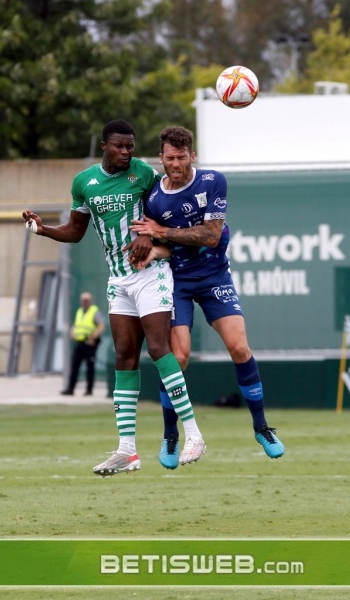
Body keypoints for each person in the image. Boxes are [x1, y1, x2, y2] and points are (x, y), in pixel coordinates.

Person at [22, 119, 206, 477]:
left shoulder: (145, 175)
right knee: (123, 355)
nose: (126, 152)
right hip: (118, 280)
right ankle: (127, 450)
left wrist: (152, 241)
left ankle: (194, 434)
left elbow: (162, 220)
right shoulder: (84, 182)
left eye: (131, 147)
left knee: (158, 349)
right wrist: (43, 229)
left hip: (150, 274)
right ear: (105, 146)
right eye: (119, 146)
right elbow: (75, 231)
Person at [130, 125, 284, 470]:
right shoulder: (153, 197)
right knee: (179, 357)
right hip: (177, 281)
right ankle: (171, 435)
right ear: (162, 158)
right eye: (169, 158)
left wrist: (162, 232)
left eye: (182, 157)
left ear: (192, 156)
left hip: (214, 276)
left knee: (240, 348)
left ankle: (262, 427)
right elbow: (160, 242)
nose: (176, 164)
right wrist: (153, 250)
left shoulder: (213, 181)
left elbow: (211, 236)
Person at [61, 292, 105, 397]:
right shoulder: (79, 311)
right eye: (83, 300)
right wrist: (72, 333)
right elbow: (76, 325)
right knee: (75, 366)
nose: (85, 302)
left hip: (90, 343)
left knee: (90, 367)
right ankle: (70, 388)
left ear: (90, 301)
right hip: (79, 342)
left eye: (87, 300)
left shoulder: (94, 311)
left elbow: (101, 325)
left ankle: (89, 390)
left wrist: (93, 337)